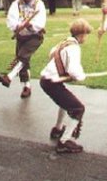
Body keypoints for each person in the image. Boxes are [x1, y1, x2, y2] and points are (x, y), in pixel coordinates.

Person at [39, 18, 93, 154]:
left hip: (46, 80)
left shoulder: (64, 42)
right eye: (86, 34)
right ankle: (64, 141)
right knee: (78, 108)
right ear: (81, 35)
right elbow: (74, 70)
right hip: (52, 83)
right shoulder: (74, 48)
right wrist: (81, 76)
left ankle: (57, 129)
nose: (86, 38)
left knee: (64, 102)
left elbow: (51, 53)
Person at [0, 0, 47, 98]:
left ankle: (9, 77)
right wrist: (18, 26)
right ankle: (27, 86)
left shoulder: (39, 4)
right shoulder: (16, 4)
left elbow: (41, 22)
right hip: (21, 36)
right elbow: (11, 20)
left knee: (22, 57)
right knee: (24, 61)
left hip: (35, 36)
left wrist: (30, 25)